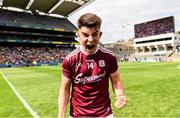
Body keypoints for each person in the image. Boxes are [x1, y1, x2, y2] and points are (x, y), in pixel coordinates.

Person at [58, 13, 127, 117]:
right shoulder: (70, 60)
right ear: (78, 35)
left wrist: (120, 95)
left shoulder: (109, 57)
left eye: (94, 34)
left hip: (104, 114)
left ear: (100, 34)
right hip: (77, 115)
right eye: (85, 35)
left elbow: (116, 81)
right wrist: (61, 115)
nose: (90, 39)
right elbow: (64, 90)